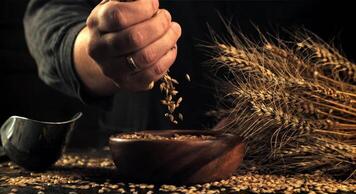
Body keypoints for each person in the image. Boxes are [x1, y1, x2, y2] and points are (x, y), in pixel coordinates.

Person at [24, 0, 348, 136]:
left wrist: (322, 108)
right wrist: (102, 53)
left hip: (320, 151)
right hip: (149, 164)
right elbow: (52, 15)